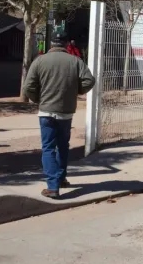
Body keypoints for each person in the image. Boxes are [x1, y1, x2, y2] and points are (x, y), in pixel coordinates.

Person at [24, 31, 95, 199]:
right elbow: (89, 80)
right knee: (63, 147)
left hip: (46, 111)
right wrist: (76, 91)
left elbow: (28, 87)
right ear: (65, 44)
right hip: (66, 111)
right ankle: (61, 178)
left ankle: (53, 186)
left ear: (51, 44)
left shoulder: (40, 61)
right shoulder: (75, 61)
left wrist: (38, 99)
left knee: (48, 148)